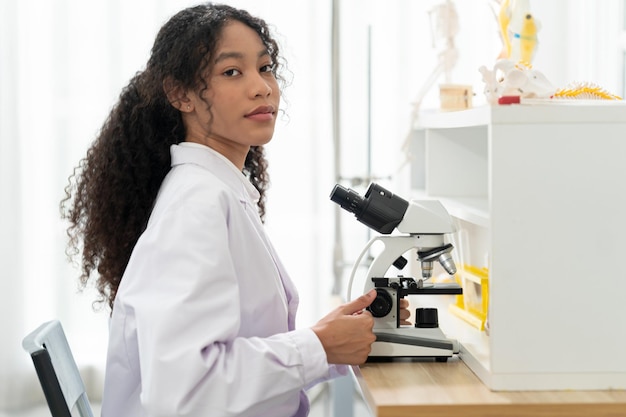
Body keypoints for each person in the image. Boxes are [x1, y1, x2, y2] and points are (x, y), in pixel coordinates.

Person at [61, 3, 410, 416]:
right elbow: (185, 392)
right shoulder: (196, 205)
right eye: (232, 72)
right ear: (180, 94)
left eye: (265, 68)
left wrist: (331, 341)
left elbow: (234, 363)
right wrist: (316, 345)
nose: (262, 87)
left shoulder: (219, 191)